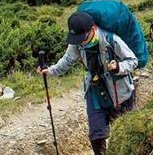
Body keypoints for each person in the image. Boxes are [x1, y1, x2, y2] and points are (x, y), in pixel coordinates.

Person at [37, 11, 138, 155]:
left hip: (119, 92)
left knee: (124, 133)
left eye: (82, 37)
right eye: (76, 38)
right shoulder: (78, 43)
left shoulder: (111, 39)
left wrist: (118, 67)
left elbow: (133, 61)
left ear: (93, 29)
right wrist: (50, 70)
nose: (80, 42)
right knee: (96, 135)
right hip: (94, 89)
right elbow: (67, 61)